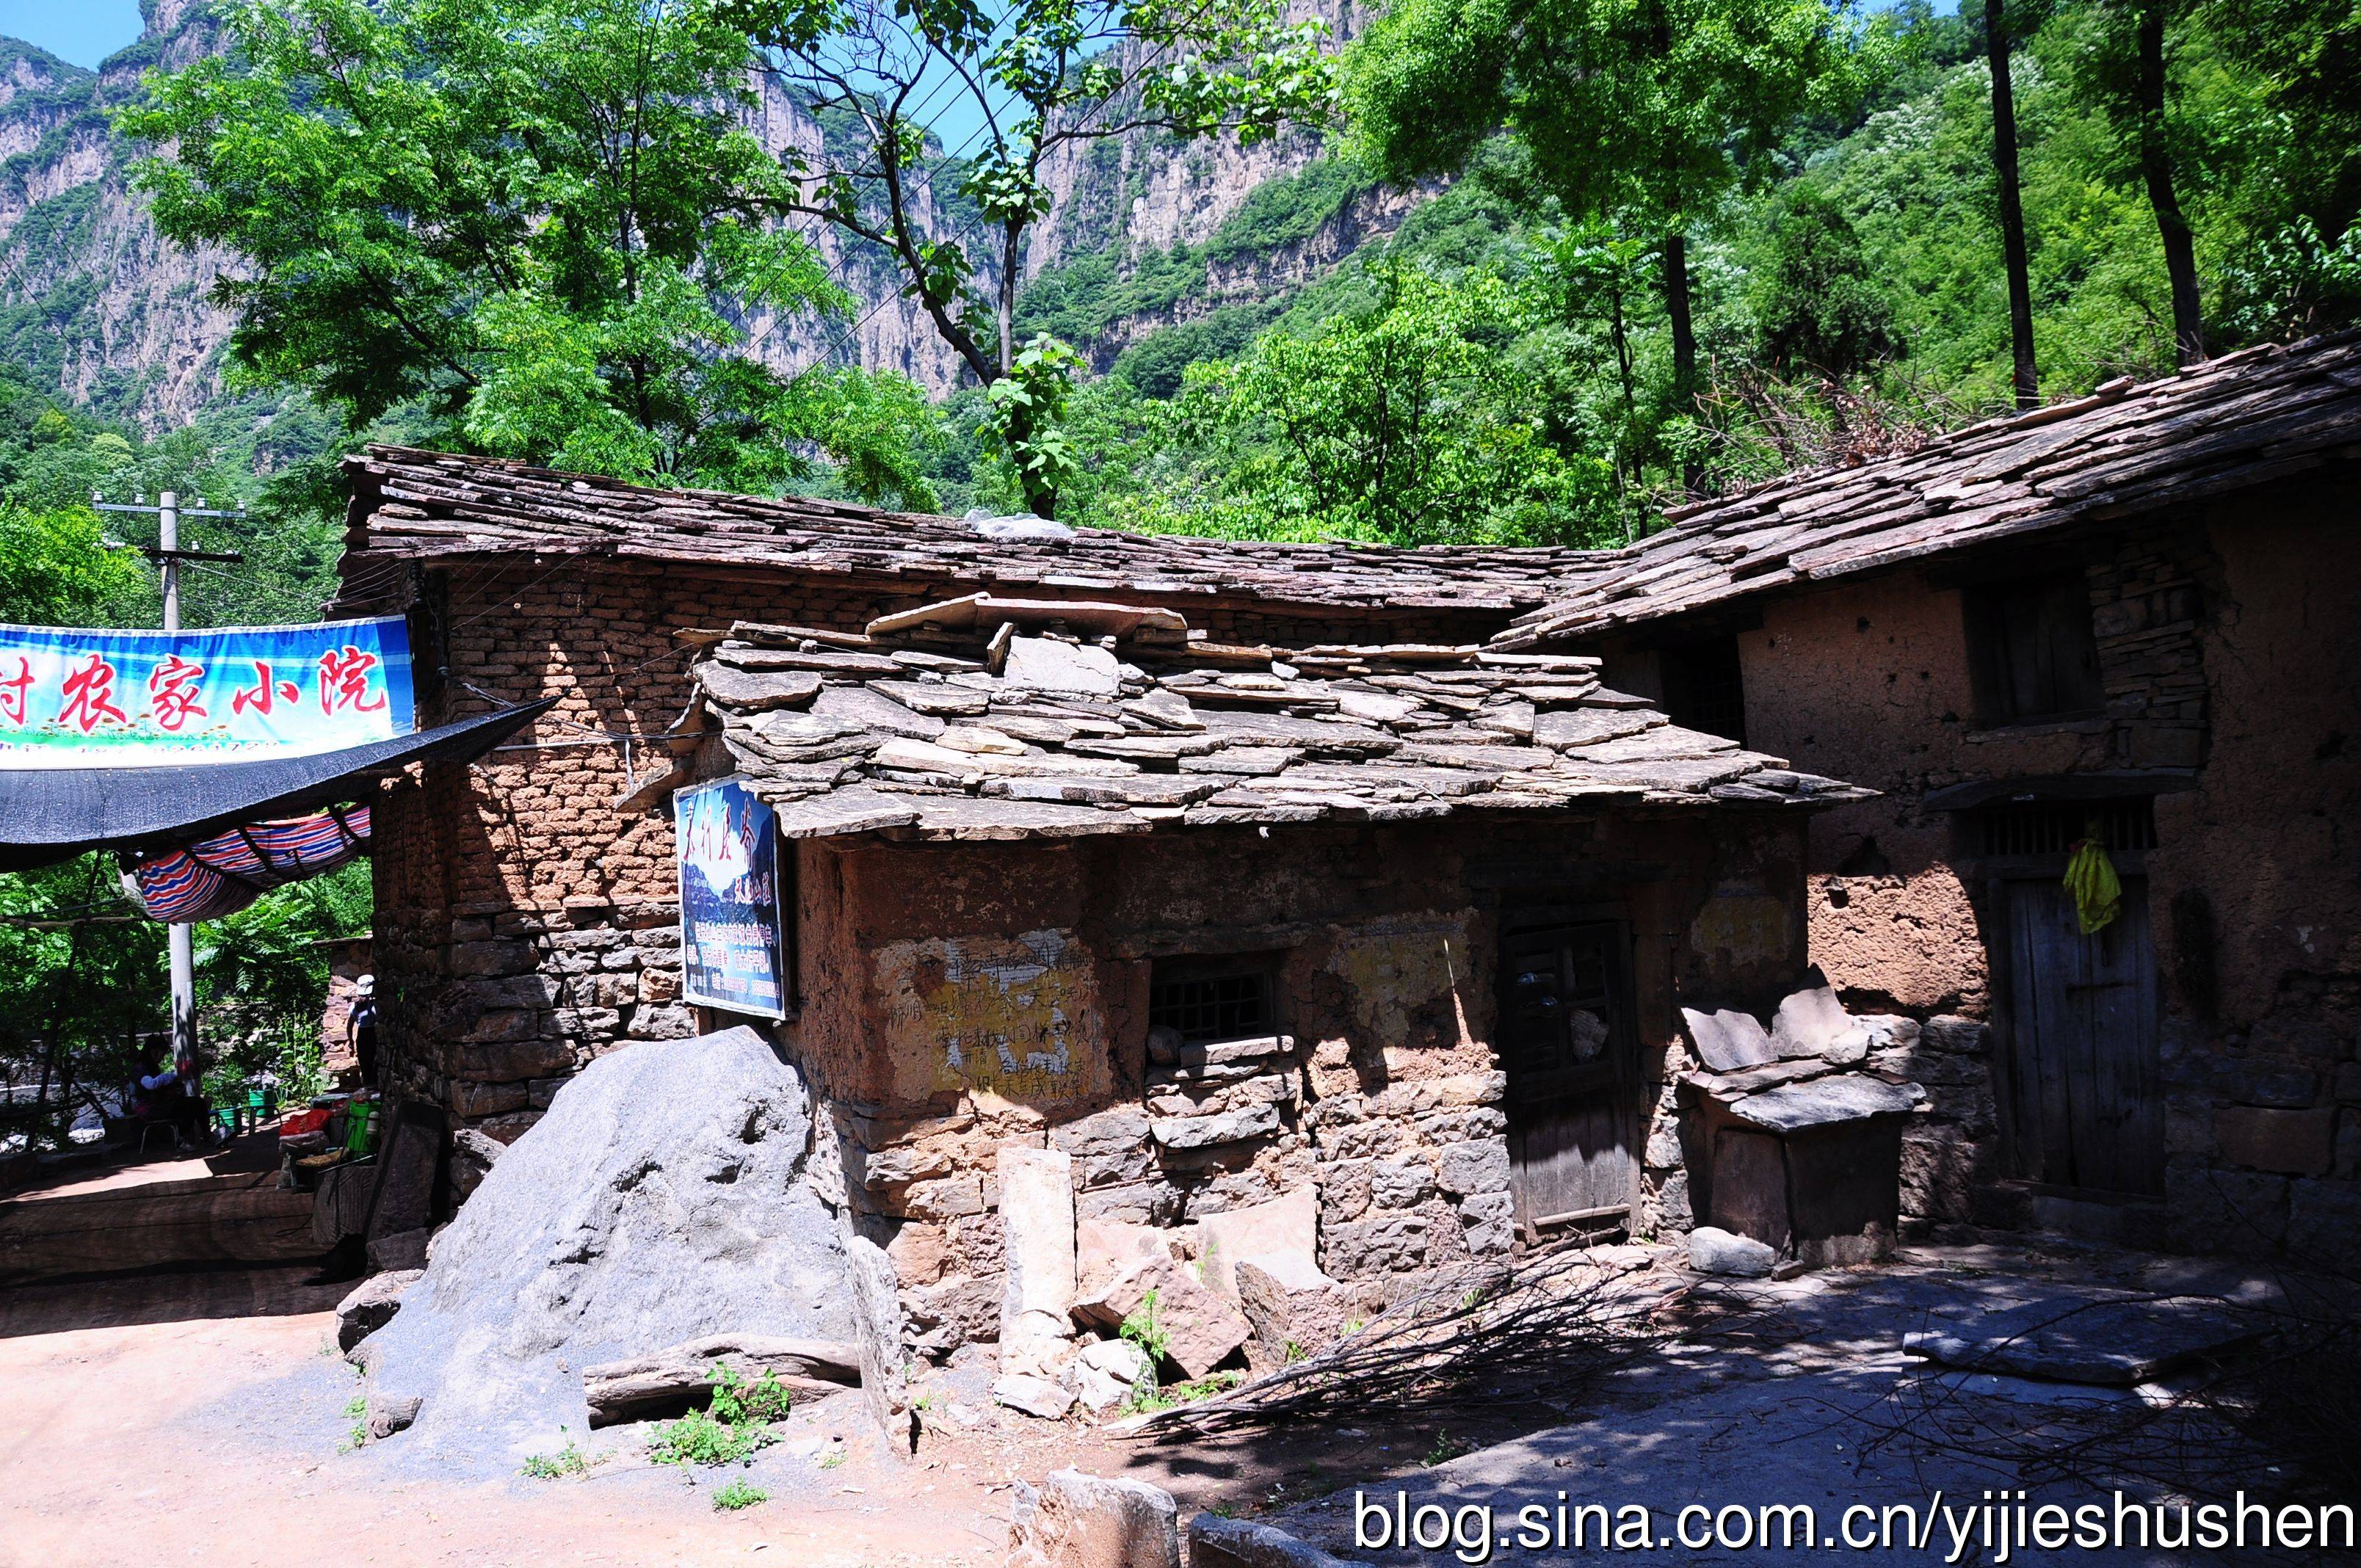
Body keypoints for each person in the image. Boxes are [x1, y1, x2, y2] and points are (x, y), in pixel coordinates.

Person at [129, 1043, 199, 1145]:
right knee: (193, 1104)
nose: (162, 1058)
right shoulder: (139, 1069)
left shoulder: (151, 1068)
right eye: (162, 1055)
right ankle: (184, 1139)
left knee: (196, 1102)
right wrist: (174, 1075)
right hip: (148, 1109)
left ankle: (202, 1136)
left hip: (157, 1106)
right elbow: (151, 1085)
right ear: (154, 1052)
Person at [347, 974, 380, 1089]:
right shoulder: (375, 1005)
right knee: (373, 1060)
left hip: (361, 1035)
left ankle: (367, 1084)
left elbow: (349, 1025)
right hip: (371, 1033)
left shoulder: (354, 1006)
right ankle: (373, 1085)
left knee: (364, 1061)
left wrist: (351, 1040)